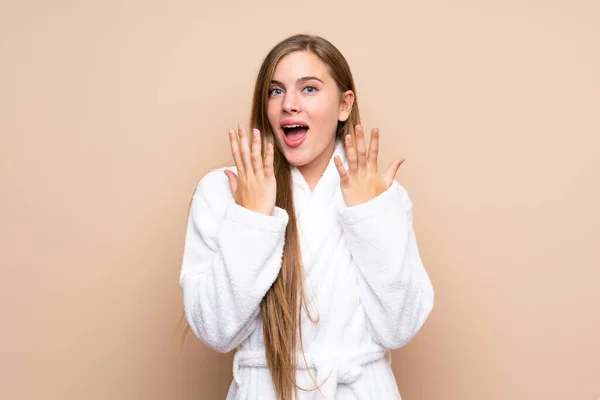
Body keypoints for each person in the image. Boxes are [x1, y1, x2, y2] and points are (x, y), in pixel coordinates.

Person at [179, 33, 434, 400]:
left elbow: (401, 327)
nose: (289, 105)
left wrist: (369, 216)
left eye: (309, 89)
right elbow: (216, 331)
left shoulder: (379, 197)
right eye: (276, 91)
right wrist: (251, 219)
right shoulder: (222, 193)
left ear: (345, 105)